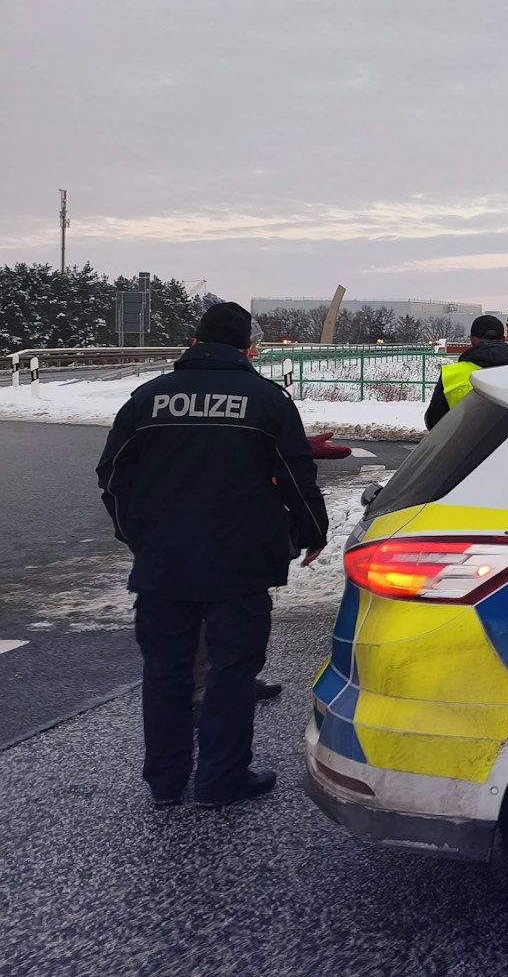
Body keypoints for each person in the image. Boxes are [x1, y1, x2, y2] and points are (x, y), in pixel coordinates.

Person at [95, 302, 327, 808]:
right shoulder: (267, 400)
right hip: (240, 562)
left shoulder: (148, 398)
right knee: (232, 668)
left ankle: (165, 780)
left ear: (196, 341)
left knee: (165, 670)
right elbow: (295, 475)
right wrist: (313, 531)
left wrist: (137, 535)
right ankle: (221, 777)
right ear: (246, 347)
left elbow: (112, 475)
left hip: (163, 563)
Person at [425, 314, 508, 428]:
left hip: (468, 439)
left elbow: (433, 422)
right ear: (503, 339)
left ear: (472, 340)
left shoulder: (452, 375)